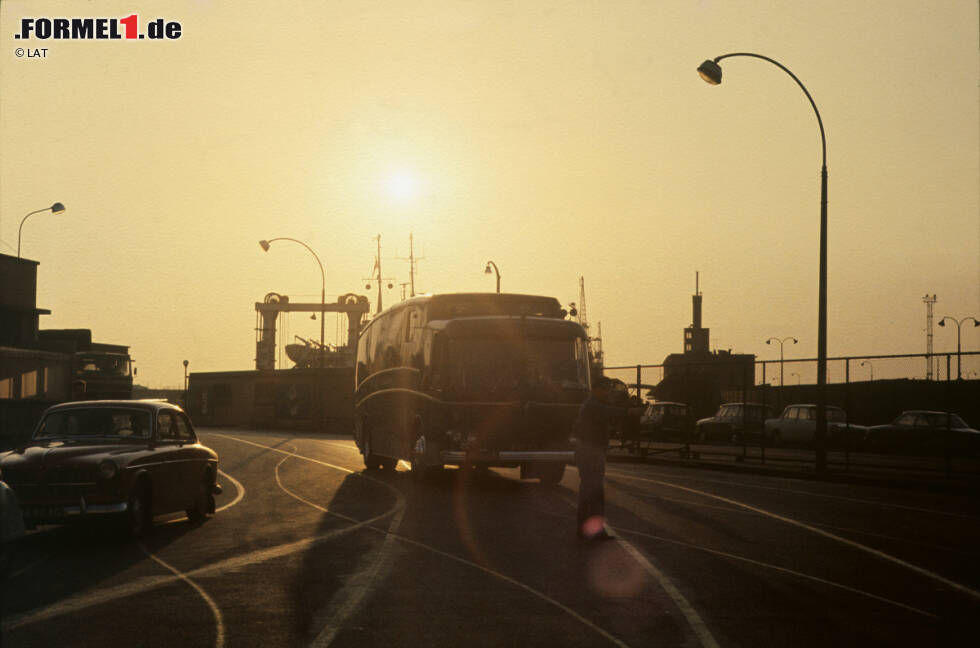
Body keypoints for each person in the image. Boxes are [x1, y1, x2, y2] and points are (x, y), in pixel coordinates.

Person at [574, 377, 620, 540]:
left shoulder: (594, 404)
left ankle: (585, 528)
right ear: (596, 389)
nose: (608, 392)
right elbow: (611, 413)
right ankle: (592, 530)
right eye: (605, 389)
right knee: (593, 490)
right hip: (590, 449)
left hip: (591, 449)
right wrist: (627, 410)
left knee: (589, 489)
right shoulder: (592, 405)